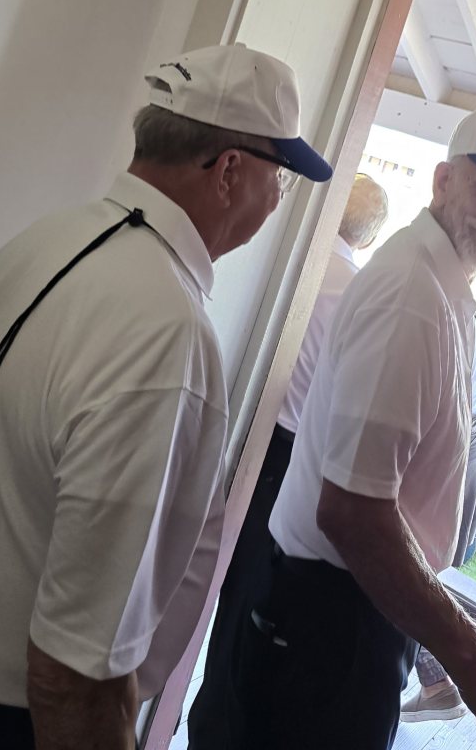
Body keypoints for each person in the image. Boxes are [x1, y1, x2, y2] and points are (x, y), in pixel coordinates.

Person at [0, 43, 332, 750]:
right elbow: (74, 675)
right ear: (230, 171)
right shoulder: (166, 333)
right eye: (280, 176)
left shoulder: (47, 236)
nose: (278, 198)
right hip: (6, 722)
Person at [224, 104, 476, 749]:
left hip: (354, 606)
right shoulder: (413, 297)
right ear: (443, 181)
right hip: (328, 617)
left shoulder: (439, 282)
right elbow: (353, 513)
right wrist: (468, 653)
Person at [187, 173, 389, 747]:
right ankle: (212, 727)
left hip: (239, 429)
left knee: (200, 575)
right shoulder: (357, 293)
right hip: (288, 458)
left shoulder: (291, 258)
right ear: (369, 238)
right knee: (244, 605)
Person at [400, 327, 476, 725]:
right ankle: (436, 683)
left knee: (404, 570)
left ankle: (438, 682)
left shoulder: (437, 317)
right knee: (411, 571)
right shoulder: (457, 317)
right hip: (467, 447)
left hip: (454, 454)